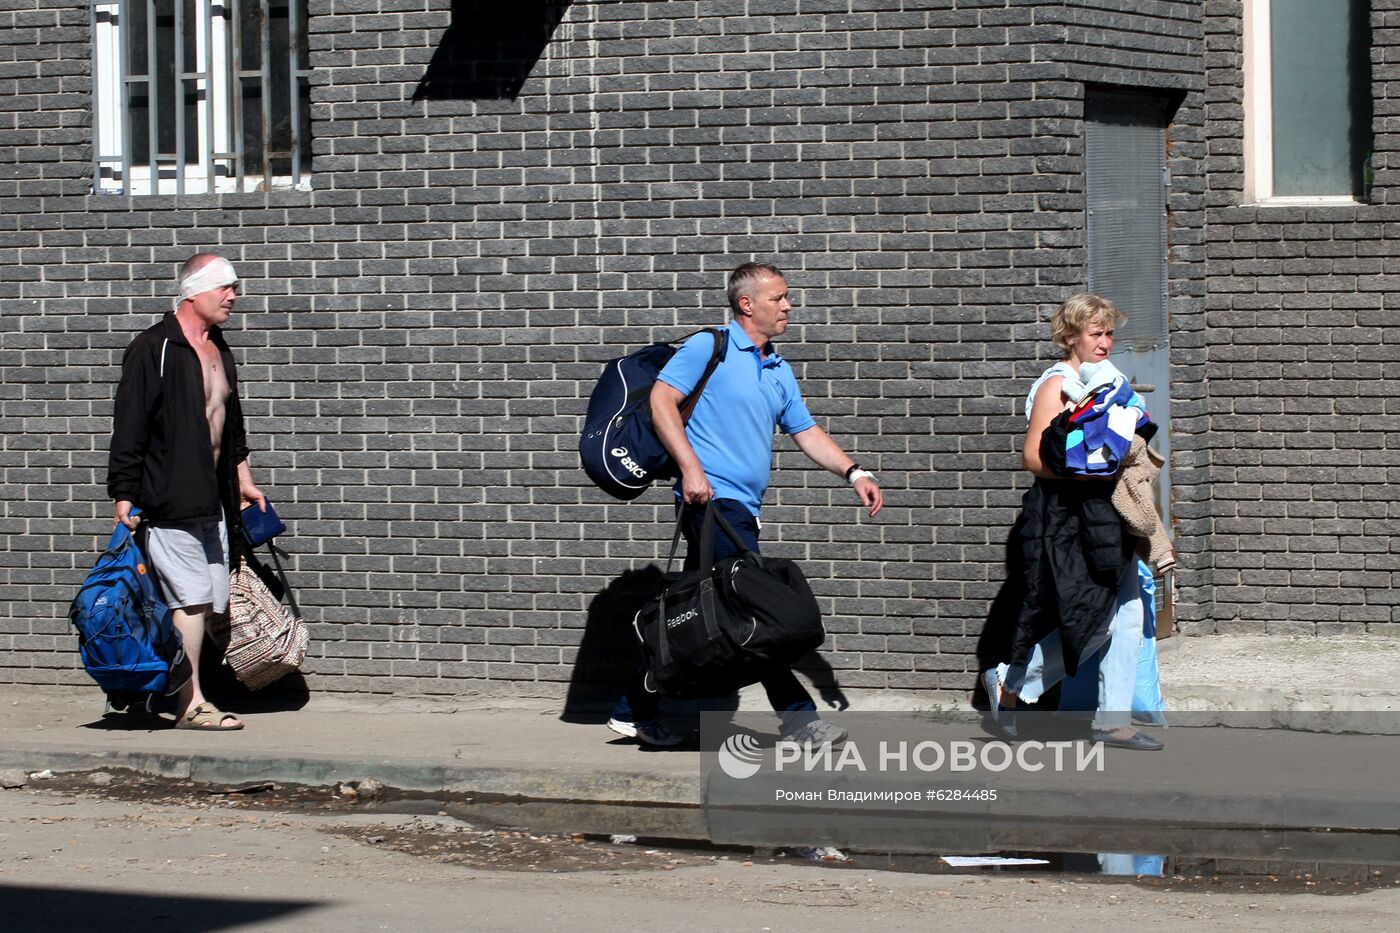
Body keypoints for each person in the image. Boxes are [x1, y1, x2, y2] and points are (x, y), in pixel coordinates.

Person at [607, 262, 884, 748]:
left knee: (694, 614)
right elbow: (661, 403)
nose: (788, 306)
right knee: (755, 611)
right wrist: (691, 469)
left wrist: (853, 471)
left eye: (786, 297)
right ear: (747, 304)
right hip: (712, 504)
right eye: (778, 298)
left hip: (739, 509)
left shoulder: (777, 367)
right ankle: (799, 720)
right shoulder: (708, 347)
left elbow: (806, 432)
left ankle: (635, 707)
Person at [982, 293, 1162, 751]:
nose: (1105, 342)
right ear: (1071, 337)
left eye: (1109, 333)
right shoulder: (1057, 385)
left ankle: (1112, 722)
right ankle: (1010, 682)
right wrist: (1088, 464)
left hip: (1102, 514)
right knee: (1095, 619)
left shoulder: (1108, 380)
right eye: (1095, 333)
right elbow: (1032, 458)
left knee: (1126, 615)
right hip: (1066, 517)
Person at [107, 253, 266, 731]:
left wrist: (243, 477)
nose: (233, 296)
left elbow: (230, 421)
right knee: (192, 599)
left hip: (213, 495)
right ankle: (190, 704)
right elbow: (129, 426)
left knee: (205, 598)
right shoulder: (152, 349)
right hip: (170, 495)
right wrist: (123, 494)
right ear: (194, 291)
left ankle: (166, 693)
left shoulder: (218, 347)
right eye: (225, 287)